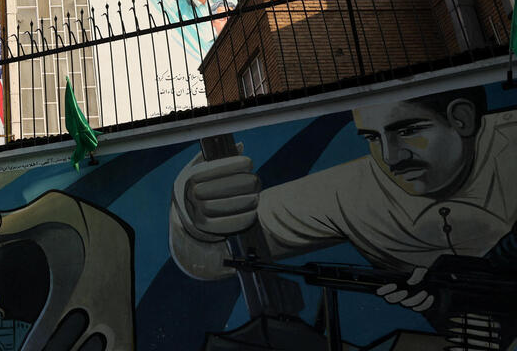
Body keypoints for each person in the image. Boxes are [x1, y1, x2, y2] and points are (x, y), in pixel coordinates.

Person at [168, 87, 517, 315]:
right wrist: (188, 215)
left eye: (408, 130)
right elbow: (217, 257)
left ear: (462, 118)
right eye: (372, 138)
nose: (391, 157)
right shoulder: (349, 192)